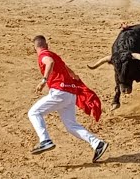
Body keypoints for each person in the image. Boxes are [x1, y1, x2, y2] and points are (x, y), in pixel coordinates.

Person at [28, 35, 108, 163]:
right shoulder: (55, 55)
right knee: (71, 126)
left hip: (60, 92)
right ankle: (97, 143)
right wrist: (74, 77)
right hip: (70, 94)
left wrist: (44, 80)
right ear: (47, 44)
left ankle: (45, 140)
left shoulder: (43, 55)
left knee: (34, 112)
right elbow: (69, 71)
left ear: (34, 48)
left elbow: (49, 62)